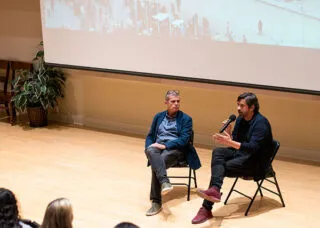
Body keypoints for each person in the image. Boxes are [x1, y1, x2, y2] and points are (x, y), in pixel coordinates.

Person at [192, 92, 273, 224]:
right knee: (218, 152)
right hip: (241, 155)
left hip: (256, 162)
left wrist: (229, 143)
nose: (238, 109)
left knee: (220, 168)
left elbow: (252, 147)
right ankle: (215, 191)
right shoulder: (241, 119)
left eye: (242, 106)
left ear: (252, 107)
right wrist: (229, 134)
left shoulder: (261, 123)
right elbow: (237, 141)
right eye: (238, 105)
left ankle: (206, 207)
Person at [145, 90, 201, 216]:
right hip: (158, 148)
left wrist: (165, 145)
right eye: (173, 101)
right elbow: (150, 136)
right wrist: (149, 147)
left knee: (158, 162)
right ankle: (164, 182)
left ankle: (156, 201)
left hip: (176, 150)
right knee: (151, 151)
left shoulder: (186, 119)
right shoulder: (158, 116)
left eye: (178, 101)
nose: (176, 104)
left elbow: (184, 140)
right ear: (166, 102)